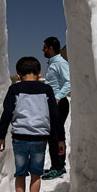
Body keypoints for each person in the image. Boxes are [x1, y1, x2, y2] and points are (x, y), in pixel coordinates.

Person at [0, 57, 66, 192]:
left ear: (19, 75)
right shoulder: (47, 89)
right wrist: (60, 139)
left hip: (20, 137)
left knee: (20, 174)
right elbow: (55, 116)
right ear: (39, 73)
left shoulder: (15, 89)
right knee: (36, 174)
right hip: (40, 139)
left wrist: (0, 135)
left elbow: (7, 113)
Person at [41, 37, 71, 180]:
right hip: (54, 103)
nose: (43, 50)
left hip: (59, 103)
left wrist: (58, 97)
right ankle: (57, 165)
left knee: (57, 135)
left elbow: (68, 82)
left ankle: (59, 166)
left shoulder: (60, 62)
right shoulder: (53, 63)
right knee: (53, 134)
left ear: (51, 48)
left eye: (45, 47)